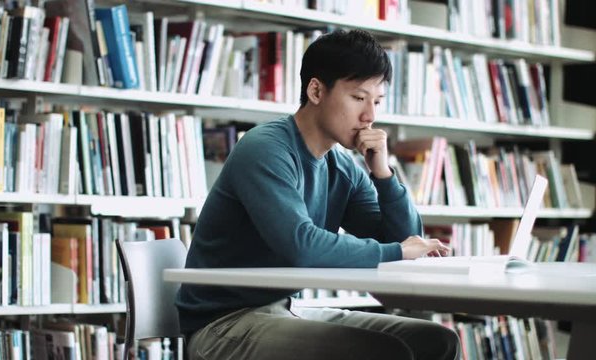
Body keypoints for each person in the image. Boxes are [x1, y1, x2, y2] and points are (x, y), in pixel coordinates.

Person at [176, 29, 460, 360]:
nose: (370, 116)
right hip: (223, 325)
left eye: (377, 101)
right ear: (316, 90)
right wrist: (399, 250)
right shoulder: (265, 148)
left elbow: (405, 239)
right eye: (358, 98)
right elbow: (301, 246)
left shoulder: (343, 165)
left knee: (437, 341)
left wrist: (383, 175)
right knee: (386, 352)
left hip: (285, 310)